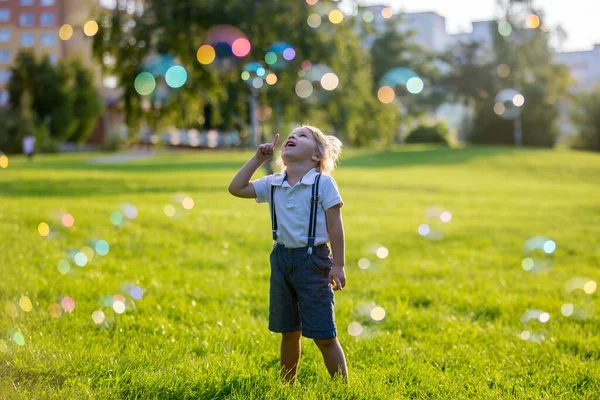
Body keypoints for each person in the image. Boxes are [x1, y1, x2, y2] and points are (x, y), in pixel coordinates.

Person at [228, 125, 348, 384]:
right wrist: (258, 160)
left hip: (314, 261)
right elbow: (236, 188)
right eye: (291, 135)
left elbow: (335, 227)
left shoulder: (323, 183)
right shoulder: (274, 183)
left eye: (302, 136)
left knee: (324, 335)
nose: (292, 137)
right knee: (288, 331)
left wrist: (338, 265)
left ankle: (342, 388)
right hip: (282, 261)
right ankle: (286, 385)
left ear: (316, 156)